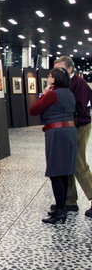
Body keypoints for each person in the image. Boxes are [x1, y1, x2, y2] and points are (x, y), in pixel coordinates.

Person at [29, 68, 77, 224]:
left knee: (56, 172)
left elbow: (34, 110)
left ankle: (60, 212)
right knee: (63, 172)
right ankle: (61, 208)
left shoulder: (52, 94)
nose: (49, 78)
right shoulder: (69, 93)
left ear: (54, 79)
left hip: (57, 133)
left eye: (50, 76)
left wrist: (43, 93)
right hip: (69, 132)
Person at [53, 56, 92, 217]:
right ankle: (70, 201)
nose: (57, 73)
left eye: (60, 69)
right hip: (67, 127)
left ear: (70, 69)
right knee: (67, 163)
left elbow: (81, 109)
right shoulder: (64, 83)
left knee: (78, 163)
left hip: (79, 127)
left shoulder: (79, 84)